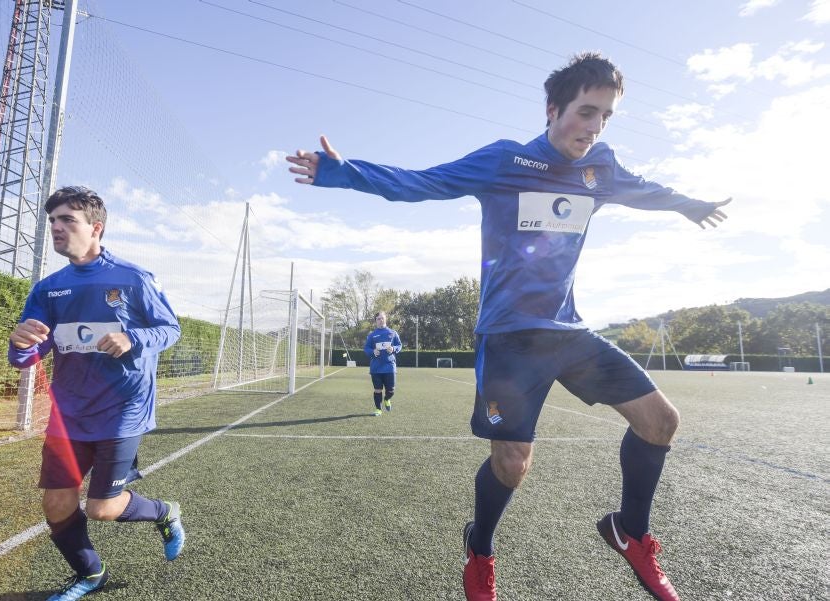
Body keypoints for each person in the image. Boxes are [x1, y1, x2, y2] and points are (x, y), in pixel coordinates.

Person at [287, 52, 730, 601]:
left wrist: (689, 205)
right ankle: (480, 546)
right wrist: (344, 173)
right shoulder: (506, 161)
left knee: (661, 421)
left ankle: (629, 533)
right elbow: (423, 182)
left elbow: (646, 189)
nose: (593, 129)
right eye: (586, 113)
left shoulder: (601, 169)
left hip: (569, 333)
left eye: (606, 117)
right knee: (513, 463)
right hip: (509, 340)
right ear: (552, 109)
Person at [8, 186, 186, 600]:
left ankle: (164, 512)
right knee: (56, 504)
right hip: (68, 414)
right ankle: (91, 574)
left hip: (123, 409)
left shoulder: (132, 278)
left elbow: (170, 329)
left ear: (96, 228)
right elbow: (27, 356)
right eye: (52, 219)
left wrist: (132, 338)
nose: (56, 227)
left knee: (102, 508)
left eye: (67, 219)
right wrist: (20, 345)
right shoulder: (48, 289)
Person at [363, 311, 402, 416]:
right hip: (376, 368)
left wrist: (393, 348)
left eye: (382, 318)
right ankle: (378, 409)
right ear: (375, 321)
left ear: (386, 319)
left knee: (391, 390)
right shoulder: (372, 335)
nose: (381, 320)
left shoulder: (393, 333)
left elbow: (399, 345)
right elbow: (366, 348)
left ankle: (387, 399)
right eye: (378, 319)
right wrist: (373, 352)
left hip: (389, 367)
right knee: (377, 389)